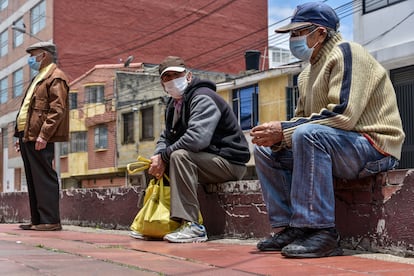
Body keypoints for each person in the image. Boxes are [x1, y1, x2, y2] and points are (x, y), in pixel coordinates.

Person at [250, 2, 405, 258]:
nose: (292, 39)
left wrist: (284, 130)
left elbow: (343, 114)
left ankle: (322, 232)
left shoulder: (347, 53)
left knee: (306, 135)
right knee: (266, 150)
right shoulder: (305, 74)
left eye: (297, 32)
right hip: (338, 146)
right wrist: (277, 136)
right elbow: (301, 119)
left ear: (320, 33)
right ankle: (291, 227)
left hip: (374, 146)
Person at [130, 56, 250, 243]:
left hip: (228, 163)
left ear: (188, 76)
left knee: (178, 156)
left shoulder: (203, 97)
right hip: (205, 161)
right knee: (153, 163)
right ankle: (153, 220)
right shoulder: (173, 105)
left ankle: (192, 225)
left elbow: (196, 140)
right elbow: (165, 138)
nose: (171, 81)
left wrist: (164, 156)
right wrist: (157, 157)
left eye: (176, 75)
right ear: (162, 84)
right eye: (166, 77)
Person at [14, 41, 70, 231]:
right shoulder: (39, 77)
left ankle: (50, 220)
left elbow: (57, 109)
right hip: (28, 135)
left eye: (34, 55)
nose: (31, 60)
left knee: (44, 176)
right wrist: (20, 136)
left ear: (44, 55)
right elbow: (28, 109)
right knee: (32, 178)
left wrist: (44, 135)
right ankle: (38, 220)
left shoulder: (56, 77)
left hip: (41, 136)